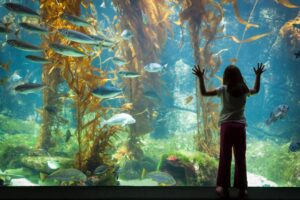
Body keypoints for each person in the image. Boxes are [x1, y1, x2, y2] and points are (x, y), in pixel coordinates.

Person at [192, 63, 266, 198]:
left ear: (225, 77)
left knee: (225, 158)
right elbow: (256, 89)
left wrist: (201, 77)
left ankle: (223, 188)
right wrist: (258, 75)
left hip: (226, 127)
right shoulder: (244, 89)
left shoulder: (222, 89)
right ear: (239, 77)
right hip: (240, 127)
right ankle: (242, 189)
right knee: (240, 157)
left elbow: (204, 93)